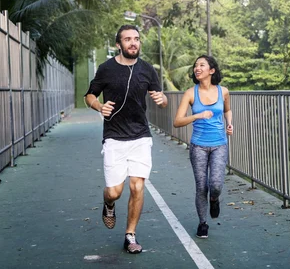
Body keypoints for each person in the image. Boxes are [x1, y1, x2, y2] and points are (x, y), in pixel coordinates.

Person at [84, 25, 168, 254]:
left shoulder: (147, 70)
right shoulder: (106, 69)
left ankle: (130, 235)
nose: (134, 43)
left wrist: (163, 100)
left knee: (137, 185)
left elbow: (161, 98)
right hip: (114, 138)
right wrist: (99, 106)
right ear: (118, 44)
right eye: (128, 39)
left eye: (137, 39)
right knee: (115, 191)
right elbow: (88, 95)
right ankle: (108, 204)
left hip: (140, 136)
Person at [173, 55, 233, 239]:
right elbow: (177, 121)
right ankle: (203, 223)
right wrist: (197, 116)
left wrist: (229, 123)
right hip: (198, 145)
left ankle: (214, 199)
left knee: (215, 185)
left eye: (202, 65)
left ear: (211, 70)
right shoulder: (191, 93)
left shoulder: (223, 91)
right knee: (201, 187)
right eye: (195, 66)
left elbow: (227, 110)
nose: (197, 68)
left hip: (219, 145)